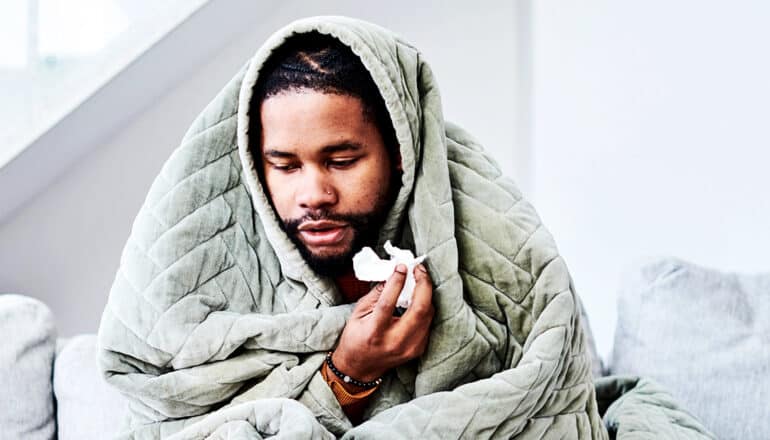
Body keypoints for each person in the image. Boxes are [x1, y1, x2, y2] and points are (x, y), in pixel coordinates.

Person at [98, 16, 714, 440]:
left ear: (400, 152)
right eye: (282, 164)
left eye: (342, 160)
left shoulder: (506, 257)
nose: (312, 193)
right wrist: (347, 372)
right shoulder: (209, 294)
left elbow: (550, 399)